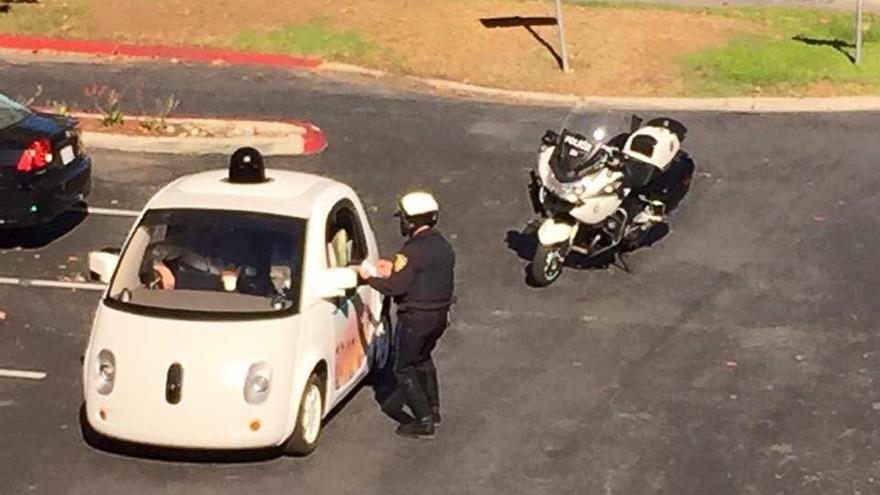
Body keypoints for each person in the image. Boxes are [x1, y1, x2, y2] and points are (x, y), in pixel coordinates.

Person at [357, 191, 455, 439]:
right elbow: (421, 276)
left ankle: (423, 421)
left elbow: (396, 288)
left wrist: (369, 278)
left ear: (410, 221)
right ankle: (434, 409)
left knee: (403, 367)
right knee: (423, 359)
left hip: (415, 318)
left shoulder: (411, 251)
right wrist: (393, 269)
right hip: (438, 316)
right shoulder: (442, 246)